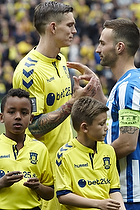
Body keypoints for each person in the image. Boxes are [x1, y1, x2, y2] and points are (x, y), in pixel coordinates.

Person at [12, 1, 98, 209]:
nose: (74, 30)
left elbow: (64, 108)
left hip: (68, 164)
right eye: (69, 25)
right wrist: (72, 103)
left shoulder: (60, 59)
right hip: (46, 174)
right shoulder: (29, 71)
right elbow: (33, 127)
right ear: (52, 27)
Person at [66, 18, 140, 210]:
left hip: (129, 192)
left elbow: (127, 142)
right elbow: (115, 117)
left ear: (120, 47)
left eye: (102, 43)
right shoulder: (128, 83)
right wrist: (97, 88)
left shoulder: (128, 87)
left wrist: (87, 162)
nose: (97, 49)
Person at [55, 96, 126, 210]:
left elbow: (114, 189)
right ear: (85, 127)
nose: (106, 128)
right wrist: (98, 204)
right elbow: (63, 196)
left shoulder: (108, 150)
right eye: (101, 124)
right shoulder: (64, 154)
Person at [0, 88, 54, 210]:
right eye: (11, 112)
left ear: (30, 118)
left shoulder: (40, 148)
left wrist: (38, 187)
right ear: (1, 117)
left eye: (24, 113)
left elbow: (50, 193)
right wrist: (2, 183)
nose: (18, 117)